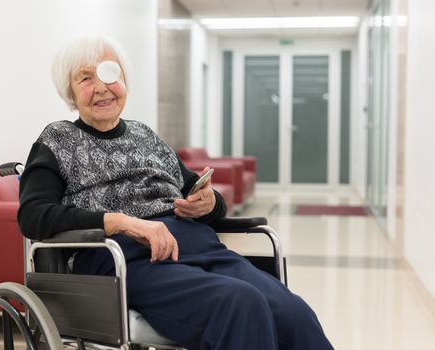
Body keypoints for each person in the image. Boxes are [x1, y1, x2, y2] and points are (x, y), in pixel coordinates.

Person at [18, 34, 334, 350]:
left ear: (124, 80)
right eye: (86, 78)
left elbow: (200, 192)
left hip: (200, 248)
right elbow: (33, 216)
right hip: (127, 259)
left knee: (294, 313)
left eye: (109, 74)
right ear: (70, 91)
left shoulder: (146, 136)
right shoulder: (57, 140)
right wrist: (124, 223)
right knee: (240, 304)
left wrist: (208, 204)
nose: (101, 87)